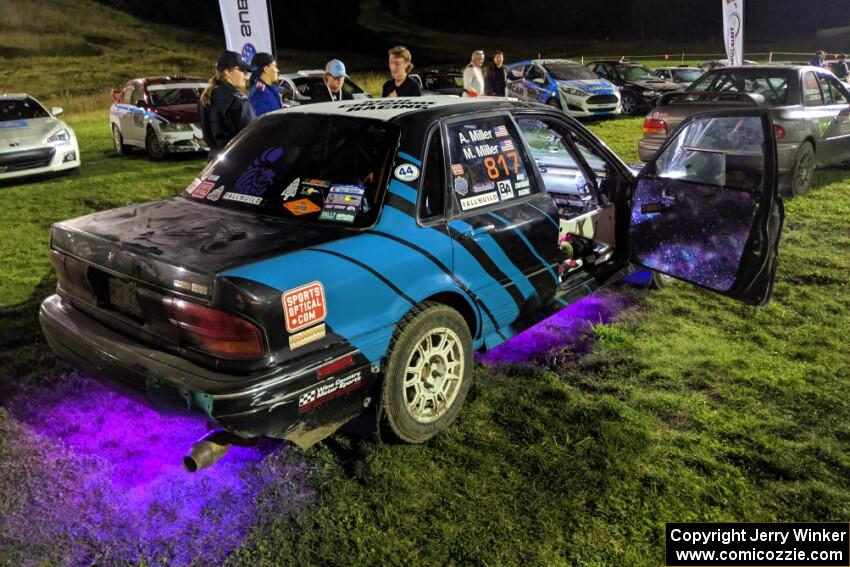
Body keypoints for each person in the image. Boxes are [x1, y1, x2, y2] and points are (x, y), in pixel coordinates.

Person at [199, 50, 256, 159]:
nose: (245, 75)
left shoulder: (206, 96)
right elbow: (253, 134)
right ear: (227, 72)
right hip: (238, 159)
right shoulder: (236, 99)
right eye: (242, 70)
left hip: (215, 159)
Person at [248, 52, 283, 117]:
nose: (277, 70)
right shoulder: (259, 93)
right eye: (275, 66)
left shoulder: (269, 89)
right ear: (266, 69)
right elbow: (263, 123)